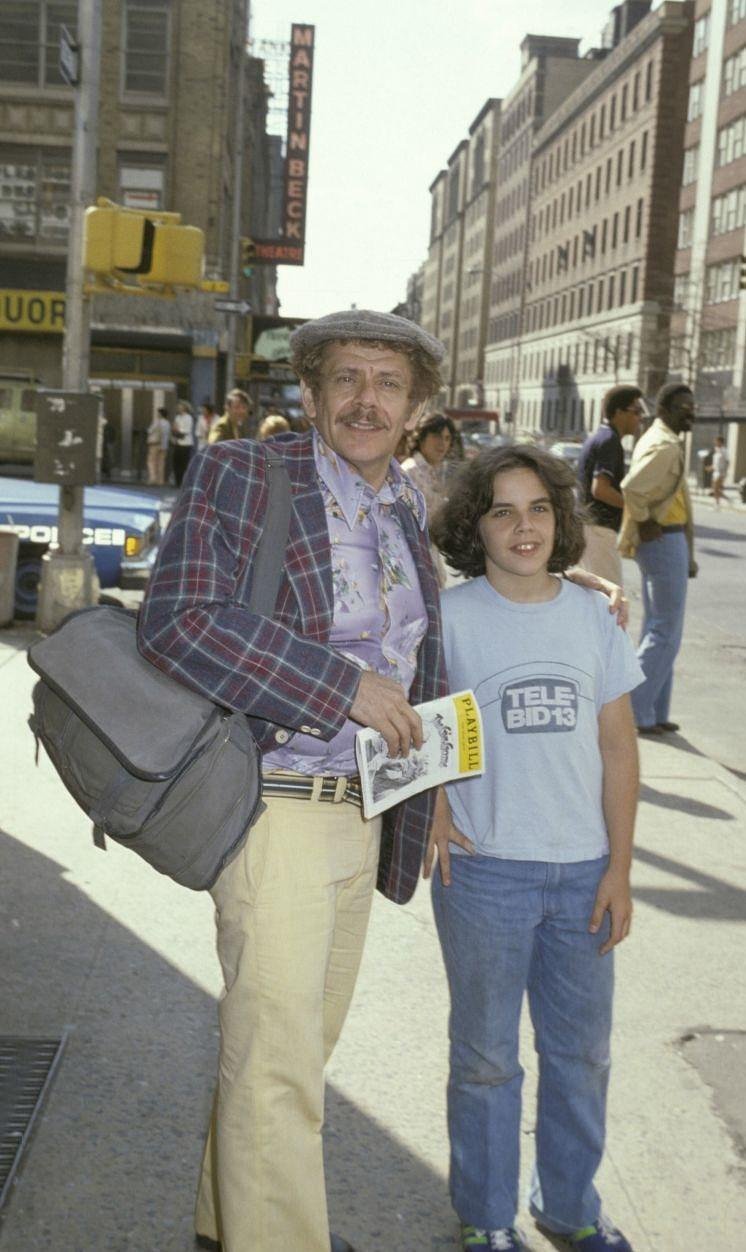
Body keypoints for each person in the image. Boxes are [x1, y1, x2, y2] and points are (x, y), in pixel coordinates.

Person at [137, 308, 449, 1252]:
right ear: (309, 393)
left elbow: (420, 665)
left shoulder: (403, 506)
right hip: (274, 809)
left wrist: (431, 795)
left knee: (289, 1057)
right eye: (347, 379)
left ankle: (225, 1225)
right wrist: (337, 684)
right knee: (279, 1072)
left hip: (363, 813)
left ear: (413, 408)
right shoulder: (246, 472)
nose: (367, 400)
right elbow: (178, 620)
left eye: (388, 385)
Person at [427, 445, 643, 1252]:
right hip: (485, 874)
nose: (524, 527)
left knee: (581, 1053)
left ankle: (569, 1204)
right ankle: (487, 1218)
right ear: (473, 526)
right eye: (501, 510)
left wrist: (620, 867)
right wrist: (438, 804)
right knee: (485, 1058)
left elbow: (619, 747)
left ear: (561, 519)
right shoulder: (451, 616)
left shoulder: (593, 617)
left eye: (539, 509)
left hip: (584, 869)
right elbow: (425, 721)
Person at [619, 382, 697, 736]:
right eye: (683, 407)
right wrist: (646, 520)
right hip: (663, 538)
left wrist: (690, 550)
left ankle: (652, 711)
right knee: (665, 631)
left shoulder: (662, 438)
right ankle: (634, 710)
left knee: (663, 629)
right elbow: (632, 487)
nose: (690, 412)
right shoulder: (664, 445)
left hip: (670, 538)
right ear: (665, 410)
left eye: (691, 406)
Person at [576, 385, 644, 585]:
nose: (639, 418)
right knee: (610, 599)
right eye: (636, 411)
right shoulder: (609, 441)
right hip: (599, 530)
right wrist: (633, 508)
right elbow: (601, 489)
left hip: (590, 528)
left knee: (592, 598)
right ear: (618, 412)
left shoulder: (601, 437)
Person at [401, 411, 458, 587]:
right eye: (436, 436)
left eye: (447, 438)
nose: (442, 444)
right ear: (422, 437)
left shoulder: (437, 473)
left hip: (430, 561)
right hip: (411, 563)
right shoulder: (409, 473)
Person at [171, 400, 195, 487]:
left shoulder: (188, 417)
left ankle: (184, 482)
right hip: (177, 442)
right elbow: (174, 427)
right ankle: (177, 482)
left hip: (186, 443)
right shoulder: (177, 417)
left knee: (184, 463)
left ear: (185, 408)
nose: (179, 408)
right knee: (176, 463)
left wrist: (178, 430)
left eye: (181, 407)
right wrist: (175, 430)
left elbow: (187, 430)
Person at [146, 406, 171, 486]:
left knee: (151, 462)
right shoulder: (167, 423)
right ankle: (161, 480)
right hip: (164, 446)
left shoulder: (157, 422)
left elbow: (150, 431)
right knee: (161, 463)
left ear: (160, 414)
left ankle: (153, 478)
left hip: (155, 444)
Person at [711, 434, 729, 508]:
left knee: (716, 488)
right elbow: (716, 463)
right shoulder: (716, 450)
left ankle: (717, 504)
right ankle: (727, 500)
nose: (715, 442)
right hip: (715, 472)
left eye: (717, 441)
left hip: (721, 472)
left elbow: (727, 462)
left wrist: (724, 472)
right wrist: (710, 468)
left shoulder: (724, 451)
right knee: (715, 489)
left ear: (721, 442)